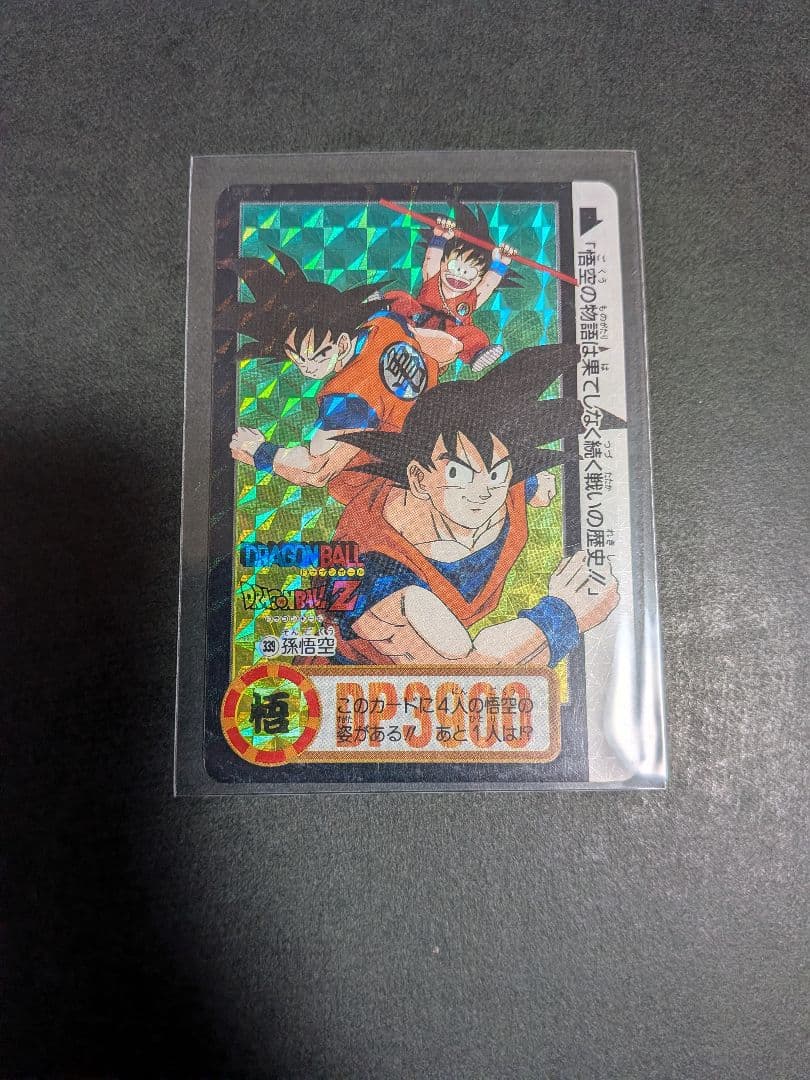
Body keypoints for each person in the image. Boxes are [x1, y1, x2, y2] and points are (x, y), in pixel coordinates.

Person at [319, 343, 623, 667]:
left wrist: (534, 485)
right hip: (355, 681)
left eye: (498, 472)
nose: (484, 491)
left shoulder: (501, 486)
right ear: (419, 479)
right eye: (457, 473)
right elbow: (467, 674)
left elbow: (506, 474)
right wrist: (564, 616)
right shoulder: (374, 572)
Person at [220, 251, 462, 489]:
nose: (307, 369)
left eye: (316, 356)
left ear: (343, 343)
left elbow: (317, 471)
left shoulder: (347, 399)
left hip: (416, 476)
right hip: (454, 429)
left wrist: (257, 451)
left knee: (345, 485)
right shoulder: (384, 323)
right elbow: (450, 348)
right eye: (297, 359)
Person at [385, 202, 521, 372]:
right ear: (443, 263)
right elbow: (431, 261)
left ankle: (477, 354)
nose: (460, 274)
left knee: (475, 335)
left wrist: (500, 264)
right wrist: (439, 238)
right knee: (401, 298)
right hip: (415, 323)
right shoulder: (433, 281)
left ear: (479, 278)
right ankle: (381, 310)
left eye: (470, 272)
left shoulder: (470, 298)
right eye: (454, 266)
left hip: (445, 339)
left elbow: (488, 285)